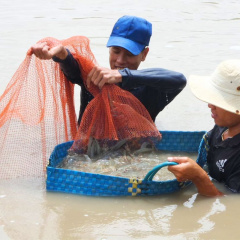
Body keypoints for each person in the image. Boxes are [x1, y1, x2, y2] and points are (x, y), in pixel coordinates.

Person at [31, 15, 186, 125]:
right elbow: (72, 68)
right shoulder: (94, 78)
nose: (119, 60)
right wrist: (61, 54)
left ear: (144, 55)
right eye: (116, 51)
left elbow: (179, 80)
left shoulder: (152, 90)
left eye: (130, 54)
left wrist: (122, 75)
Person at [168, 59, 240, 197]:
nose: (210, 105)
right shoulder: (222, 126)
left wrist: (199, 177)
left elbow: (232, 205)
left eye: (219, 101)